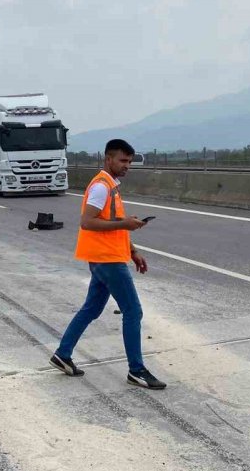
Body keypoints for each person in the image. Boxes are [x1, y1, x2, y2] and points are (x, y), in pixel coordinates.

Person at [50, 138, 166, 390]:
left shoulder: (111, 186)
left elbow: (113, 222)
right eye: (123, 160)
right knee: (133, 311)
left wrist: (133, 250)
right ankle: (136, 370)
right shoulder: (101, 187)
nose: (127, 166)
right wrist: (126, 224)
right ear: (108, 159)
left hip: (105, 257)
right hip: (108, 260)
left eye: (129, 161)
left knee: (91, 309)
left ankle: (63, 353)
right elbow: (87, 222)